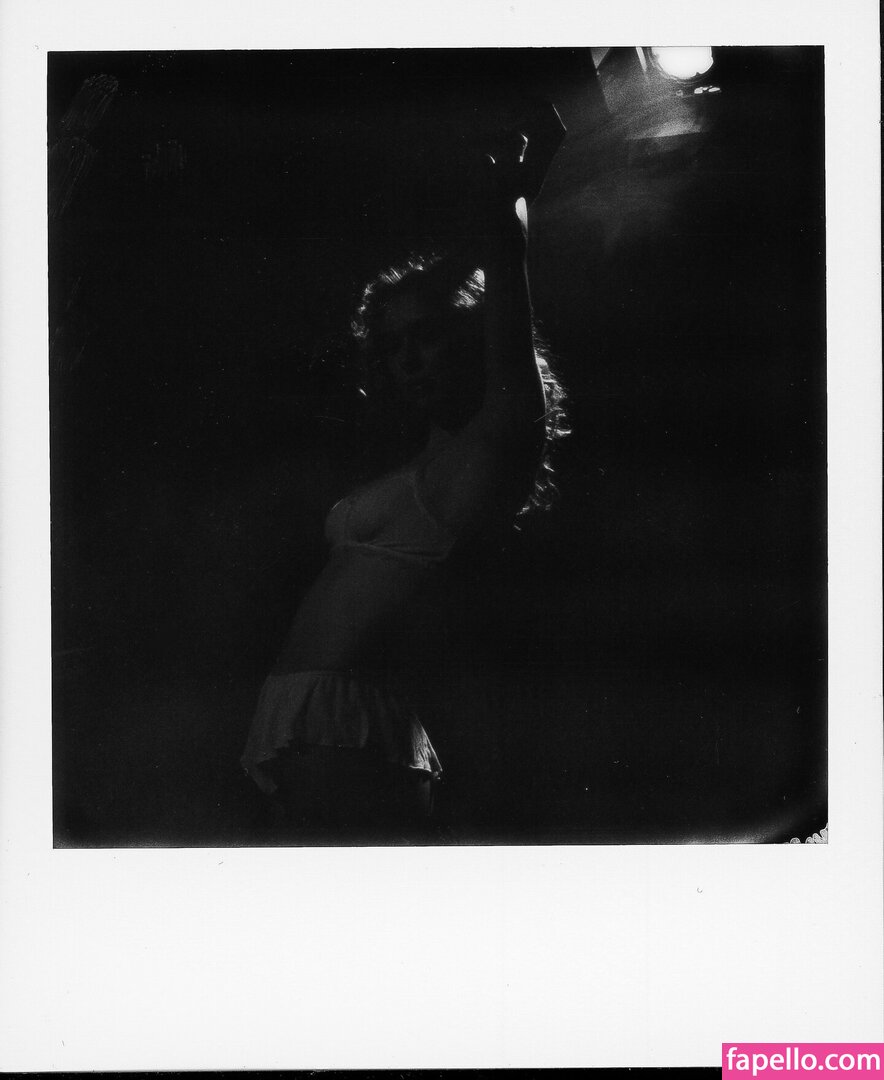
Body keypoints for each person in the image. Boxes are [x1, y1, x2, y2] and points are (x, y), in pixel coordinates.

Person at [240, 105, 568, 842]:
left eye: (428, 338)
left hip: (350, 726)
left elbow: (505, 282)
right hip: (313, 719)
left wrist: (514, 202)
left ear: (466, 339)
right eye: (392, 347)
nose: (408, 360)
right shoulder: (424, 459)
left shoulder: (491, 447)